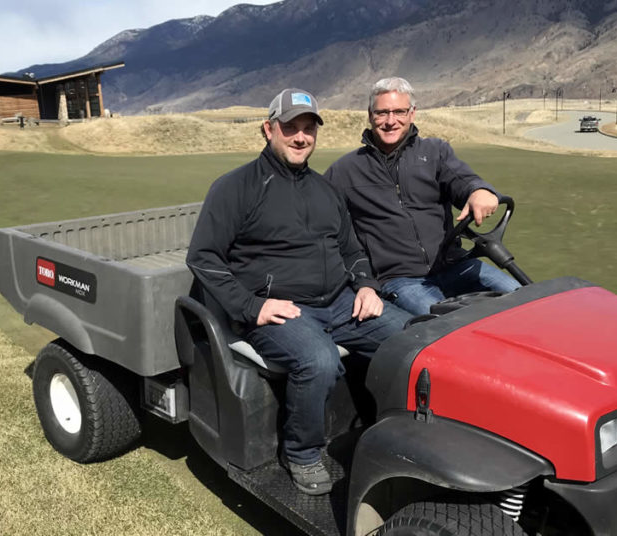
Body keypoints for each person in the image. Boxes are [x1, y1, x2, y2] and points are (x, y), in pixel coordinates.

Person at [186, 88, 411, 495]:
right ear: (268, 129)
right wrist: (250, 306)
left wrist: (365, 286)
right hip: (280, 310)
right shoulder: (235, 188)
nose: (300, 137)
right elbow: (203, 258)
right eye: (290, 127)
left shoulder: (325, 190)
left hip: (341, 302)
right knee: (318, 361)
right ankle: (302, 454)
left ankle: (396, 431)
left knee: (411, 338)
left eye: (309, 129)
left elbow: (352, 249)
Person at [325, 77, 520, 315]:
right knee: (445, 325)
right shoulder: (344, 171)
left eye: (399, 111)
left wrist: (480, 191)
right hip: (400, 279)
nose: (390, 121)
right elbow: (326, 228)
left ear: (412, 113)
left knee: (522, 299)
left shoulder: (435, 152)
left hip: (455, 264)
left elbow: (463, 181)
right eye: (382, 113)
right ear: (369, 115)